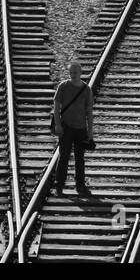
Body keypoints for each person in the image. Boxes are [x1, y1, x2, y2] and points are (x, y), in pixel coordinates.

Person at [52, 60, 93, 197]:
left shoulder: (86, 89)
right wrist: (58, 124)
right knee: (64, 156)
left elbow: (89, 112)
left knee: (80, 158)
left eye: (75, 73)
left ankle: (80, 185)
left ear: (80, 73)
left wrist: (90, 132)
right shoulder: (63, 86)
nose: (73, 75)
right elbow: (56, 108)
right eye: (71, 73)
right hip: (66, 127)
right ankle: (59, 185)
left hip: (81, 128)